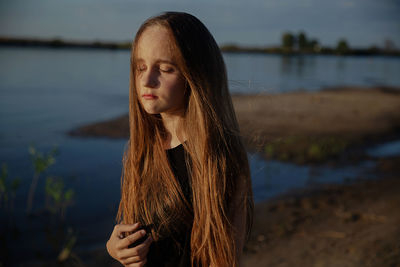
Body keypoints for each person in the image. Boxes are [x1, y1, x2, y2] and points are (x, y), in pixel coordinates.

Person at [106, 12, 253, 267]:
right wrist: (116, 248)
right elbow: (136, 233)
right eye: (140, 67)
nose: (146, 80)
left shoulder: (219, 162)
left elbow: (225, 260)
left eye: (165, 69)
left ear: (194, 75)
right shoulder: (142, 151)